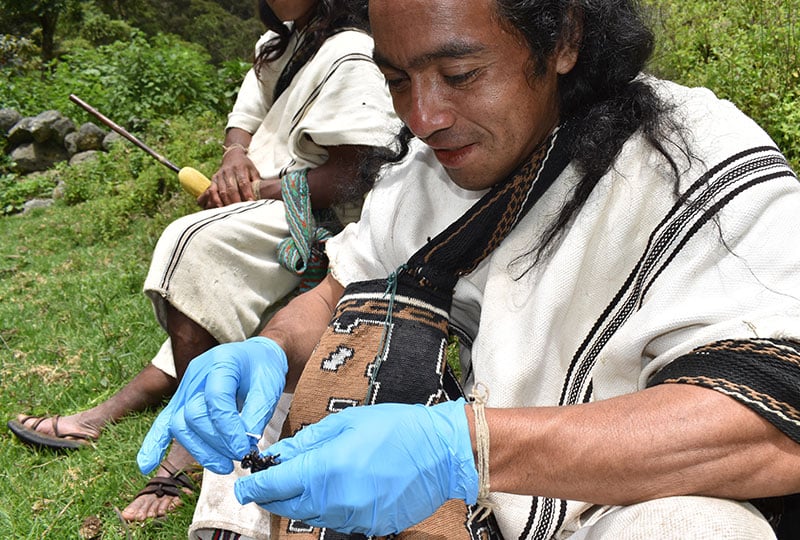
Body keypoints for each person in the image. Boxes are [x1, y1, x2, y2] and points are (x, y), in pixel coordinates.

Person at [137, 0, 800, 538]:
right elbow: (338, 295)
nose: (422, 118)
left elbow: (773, 420)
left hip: (621, 507)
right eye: (396, 80)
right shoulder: (418, 178)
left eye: (458, 75)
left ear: (563, 38)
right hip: (471, 505)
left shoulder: (694, 162)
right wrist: (268, 349)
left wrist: (466, 448)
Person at [7, 0, 399, 524]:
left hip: (312, 209)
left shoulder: (351, 50)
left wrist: (255, 189)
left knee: (194, 243)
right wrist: (233, 158)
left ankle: (189, 449)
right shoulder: (276, 46)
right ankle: (109, 414)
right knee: (206, 282)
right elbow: (244, 120)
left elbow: (356, 173)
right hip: (261, 199)